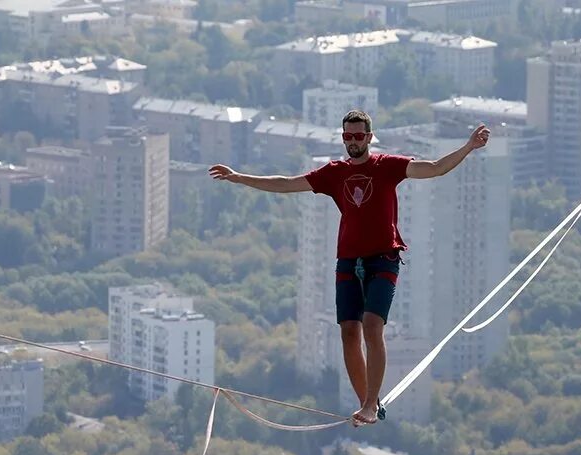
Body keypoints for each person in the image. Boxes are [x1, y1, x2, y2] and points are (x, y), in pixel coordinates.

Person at [209, 110, 490, 425]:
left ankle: (371, 403)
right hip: (348, 261)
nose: (353, 142)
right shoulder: (334, 173)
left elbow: (436, 168)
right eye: (347, 136)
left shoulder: (387, 166)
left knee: (372, 326)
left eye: (358, 136)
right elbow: (287, 184)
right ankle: (367, 404)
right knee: (348, 332)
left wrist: (468, 147)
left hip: (383, 258)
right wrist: (239, 177)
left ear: (369, 137)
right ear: (343, 137)